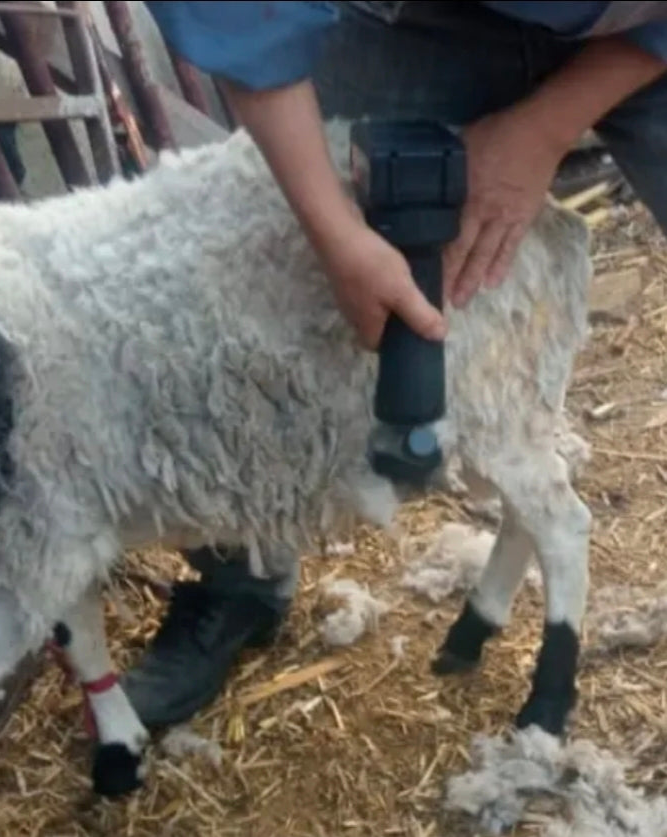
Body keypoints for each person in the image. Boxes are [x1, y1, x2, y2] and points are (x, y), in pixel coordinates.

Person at [121, 0, 667, 731]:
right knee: (267, 242)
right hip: (414, 20)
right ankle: (241, 566)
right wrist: (334, 235)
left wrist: (543, 129)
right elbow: (240, 16)